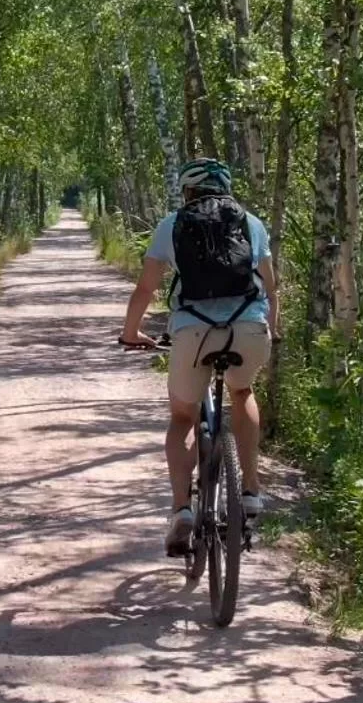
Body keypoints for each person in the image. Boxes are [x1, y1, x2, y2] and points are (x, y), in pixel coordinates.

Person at [119, 158, 278, 555]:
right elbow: (272, 289)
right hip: (248, 328)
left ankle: (182, 509)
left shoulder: (172, 225)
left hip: (193, 331)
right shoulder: (251, 223)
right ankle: (252, 490)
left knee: (182, 416)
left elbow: (145, 289)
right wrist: (271, 330)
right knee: (243, 394)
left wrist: (130, 332)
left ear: (187, 191)